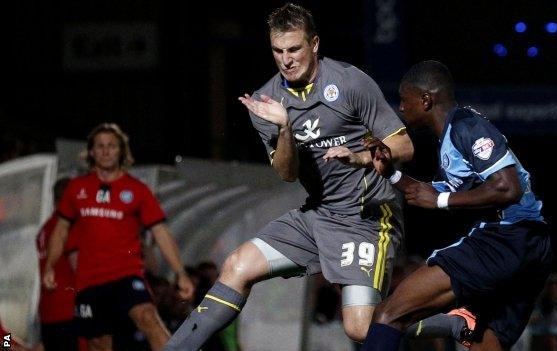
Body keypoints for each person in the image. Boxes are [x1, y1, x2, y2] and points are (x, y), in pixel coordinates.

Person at [163, 3, 413, 349]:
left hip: (365, 217)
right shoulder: (268, 101)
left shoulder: (349, 82)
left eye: (294, 48)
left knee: (361, 328)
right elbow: (286, 173)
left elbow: (403, 146)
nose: (286, 59)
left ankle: (452, 323)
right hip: (316, 213)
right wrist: (285, 129)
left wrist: (360, 156)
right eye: (278, 51)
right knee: (237, 265)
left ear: (314, 44)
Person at [360, 60, 553, 351]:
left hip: (508, 239)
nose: (401, 108)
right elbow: (421, 192)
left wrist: (441, 200)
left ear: (426, 100)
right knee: (487, 341)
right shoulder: (452, 137)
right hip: (532, 247)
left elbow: (507, 187)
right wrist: (391, 173)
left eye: (404, 100)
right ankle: (462, 324)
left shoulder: (467, 126)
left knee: (388, 314)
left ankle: (455, 323)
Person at [43, 123, 194, 351]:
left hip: (125, 275)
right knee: (99, 343)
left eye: (111, 146)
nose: (105, 151)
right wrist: (50, 266)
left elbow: (160, 232)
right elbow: (61, 229)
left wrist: (180, 272)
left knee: (147, 317)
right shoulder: (77, 188)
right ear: (91, 152)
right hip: (88, 282)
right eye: (100, 146)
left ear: (121, 151)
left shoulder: (138, 190)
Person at [36, 177, 84, 351]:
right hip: (68, 311)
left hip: (49, 313)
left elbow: (7, 339)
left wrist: (12, 345)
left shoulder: (46, 228)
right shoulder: (65, 227)